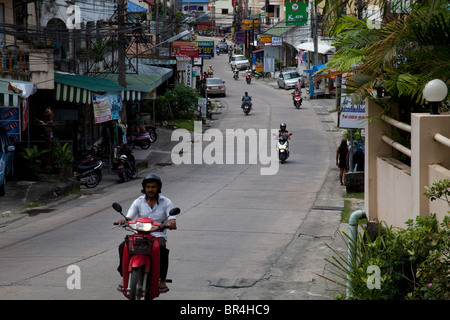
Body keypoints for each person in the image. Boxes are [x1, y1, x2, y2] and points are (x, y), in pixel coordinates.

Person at [116, 173, 177, 294]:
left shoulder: (166, 202)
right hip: (138, 234)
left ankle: (162, 280)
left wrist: (171, 222)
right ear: (144, 188)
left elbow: (172, 218)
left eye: (153, 187)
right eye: (148, 187)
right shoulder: (138, 202)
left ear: (158, 188)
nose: (150, 189)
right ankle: (125, 278)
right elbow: (129, 217)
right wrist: (124, 220)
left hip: (157, 235)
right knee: (123, 246)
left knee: (162, 249)